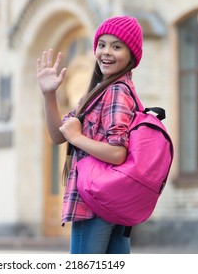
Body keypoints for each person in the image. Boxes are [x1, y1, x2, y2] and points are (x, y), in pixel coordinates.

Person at [36, 16, 143, 254]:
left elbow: (117, 152)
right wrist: (49, 95)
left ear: (131, 54)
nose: (106, 52)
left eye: (116, 46)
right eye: (102, 44)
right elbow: (58, 135)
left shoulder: (116, 91)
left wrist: (78, 138)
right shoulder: (98, 93)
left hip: (95, 203)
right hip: (111, 203)